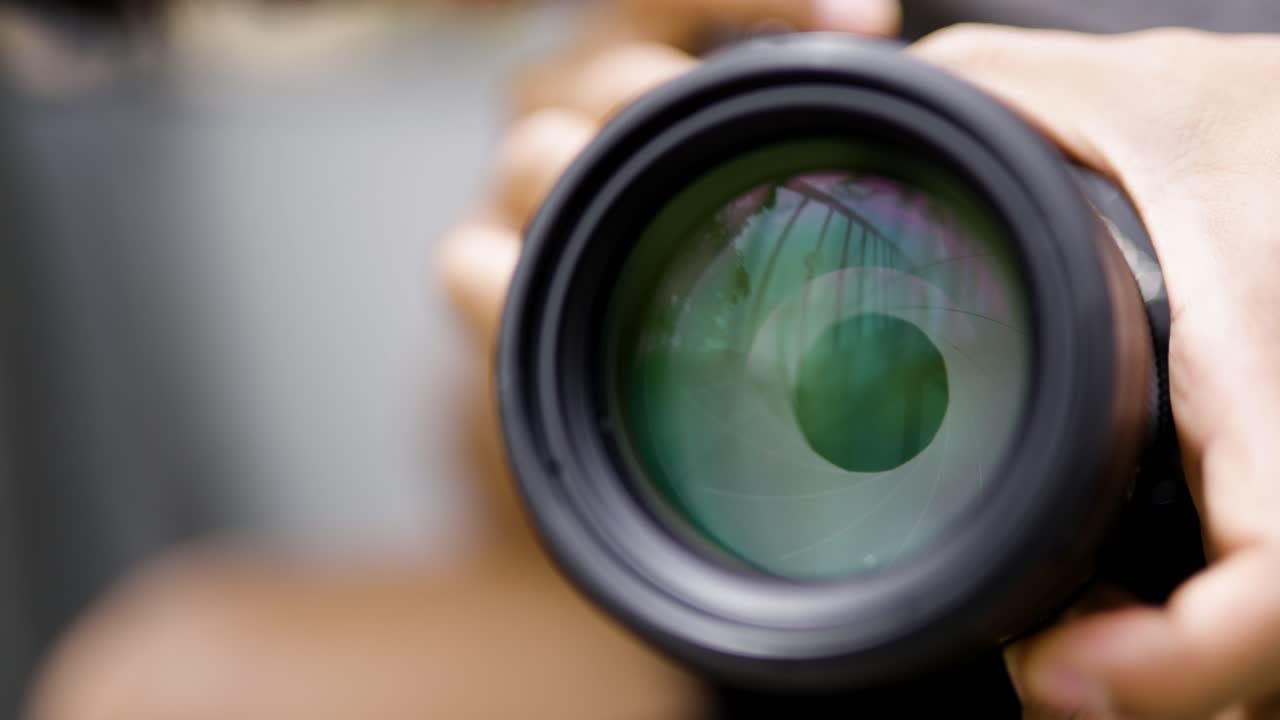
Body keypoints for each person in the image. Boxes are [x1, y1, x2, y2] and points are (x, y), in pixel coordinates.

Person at [27, 2, 1280, 718]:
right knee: (173, 678)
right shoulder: (805, 33)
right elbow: (532, 527)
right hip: (821, 645)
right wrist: (579, 268)